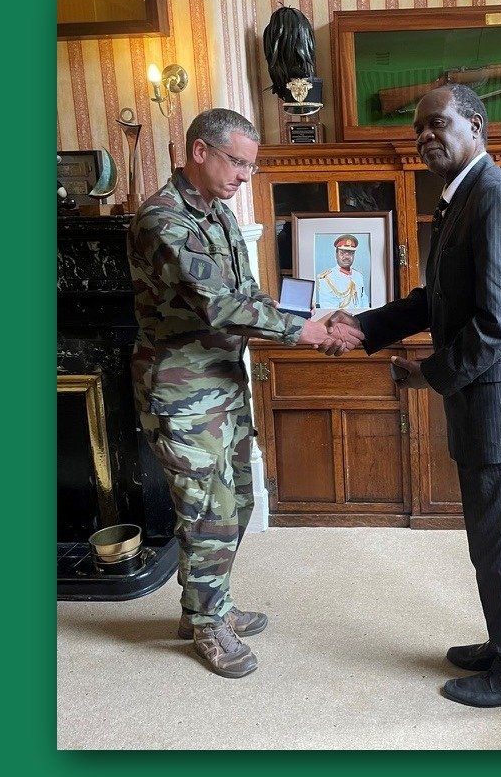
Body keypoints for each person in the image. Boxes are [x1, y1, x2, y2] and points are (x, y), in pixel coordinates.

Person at [329, 84, 501, 708]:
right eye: (418, 130)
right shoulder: (463, 199)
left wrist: (428, 373)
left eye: (438, 123)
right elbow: (438, 300)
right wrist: (367, 327)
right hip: (494, 404)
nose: (425, 136)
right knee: (500, 540)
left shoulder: (495, 200)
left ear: (477, 125)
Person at [127, 108, 361, 678]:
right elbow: (217, 304)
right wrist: (305, 331)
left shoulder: (221, 217)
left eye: (251, 167)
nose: (243, 177)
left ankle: (205, 606)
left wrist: (311, 316)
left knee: (238, 502)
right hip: (183, 393)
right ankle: (208, 626)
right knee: (207, 511)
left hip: (223, 382)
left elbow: (249, 294)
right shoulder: (163, 220)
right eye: (237, 162)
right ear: (200, 151)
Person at [314, 233, 366, 311]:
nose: (347, 257)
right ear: (336, 255)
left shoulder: (359, 276)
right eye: (342, 253)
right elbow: (328, 310)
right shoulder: (326, 278)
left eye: (351, 253)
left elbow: (364, 301)